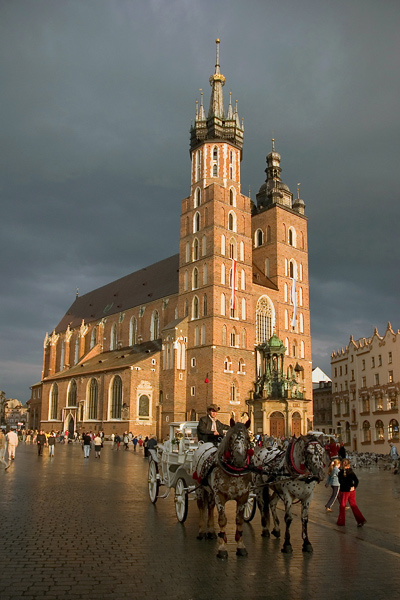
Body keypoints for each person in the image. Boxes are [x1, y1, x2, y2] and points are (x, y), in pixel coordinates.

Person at [337, 458, 366, 527]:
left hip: (344, 491)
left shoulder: (340, 473)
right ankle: (360, 520)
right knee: (353, 505)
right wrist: (353, 487)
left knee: (342, 506)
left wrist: (348, 488)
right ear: (349, 465)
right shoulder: (351, 472)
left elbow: (341, 482)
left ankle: (341, 521)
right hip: (352, 491)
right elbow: (356, 481)